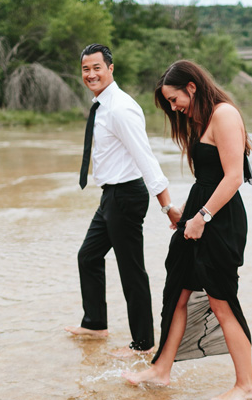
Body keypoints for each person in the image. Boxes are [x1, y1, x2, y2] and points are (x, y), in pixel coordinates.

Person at [122, 60, 252, 400]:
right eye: (168, 102)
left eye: (174, 99)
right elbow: (207, 179)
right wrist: (185, 211)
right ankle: (161, 369)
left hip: (220, 220)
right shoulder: (198, 119)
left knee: (221, 300)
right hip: (199, 212)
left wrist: (202, 216)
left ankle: (246, 385)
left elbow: (233, 176)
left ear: (192, 87)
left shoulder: (224, 114)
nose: (173, 107)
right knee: (178, 289)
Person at [65, 44, 182, 358]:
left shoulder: (120, 108)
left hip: (127, 195)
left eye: (97, 68)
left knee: (131, 270)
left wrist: (167, 205)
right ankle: (95, 324)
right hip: (111, 196)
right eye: (86, 69)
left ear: (110, 68)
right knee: (88, 257)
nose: (91, 74)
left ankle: (143, 343)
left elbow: (146, 158)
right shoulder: (103, 106)